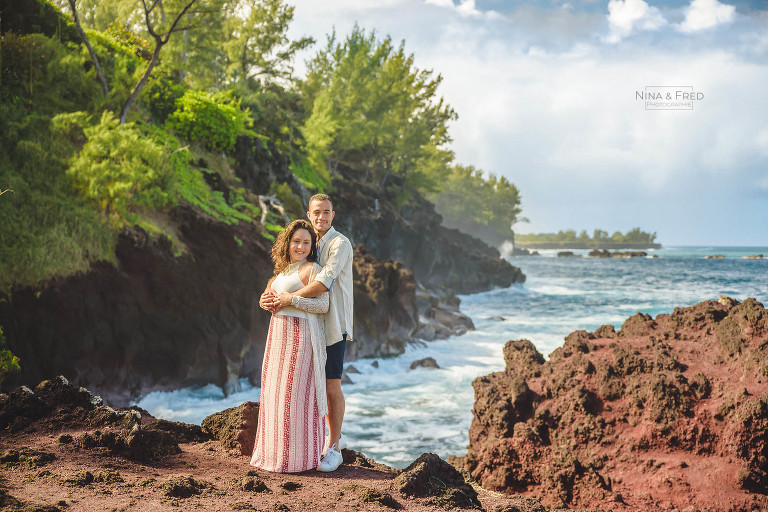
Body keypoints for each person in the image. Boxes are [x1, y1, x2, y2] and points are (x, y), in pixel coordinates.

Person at [268, 193, 354, 473]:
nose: (321, 217)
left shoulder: (339, 243)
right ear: (309, 214)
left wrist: (288, 298)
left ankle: (334, 446)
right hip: (309, 326)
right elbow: (289, 272)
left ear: (333, 214)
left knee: (331, 385)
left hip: (332, 325)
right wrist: (270, 295)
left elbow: (323, 282)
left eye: (326, 212)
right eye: (317, 212)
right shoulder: (310, 241)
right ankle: (307, 444)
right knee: (305, 385)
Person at [251, 219, 330, 473]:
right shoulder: (280, 273)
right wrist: (265, 302)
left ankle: (298, 460)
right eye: (296, 241)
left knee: (295, 398)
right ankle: (274, 457)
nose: (301, 246)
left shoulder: (312, 269)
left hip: (301, 337)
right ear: (288, 243)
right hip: (277, 337)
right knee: (274, 396)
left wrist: (290, 299)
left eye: (306, 242)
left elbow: (323, 305)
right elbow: (270, 301)